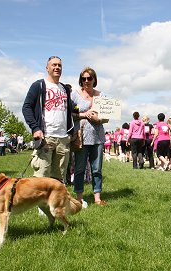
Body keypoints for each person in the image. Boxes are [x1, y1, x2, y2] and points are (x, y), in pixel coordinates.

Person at [22, 56, 74, 183]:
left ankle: (55, 203)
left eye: (59, 65)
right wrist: (35, 128)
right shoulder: (39, 85)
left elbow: (70, 112)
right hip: (46, 137)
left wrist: (71, 132)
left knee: (58, 180)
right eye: (54, 65)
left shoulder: (65, 89)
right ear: (47, 68)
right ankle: (42, 203)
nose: (57, 67)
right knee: (41, 179)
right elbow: (26, 107)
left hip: (63, 139)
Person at [71, 66, 108, 207]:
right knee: (79, 168)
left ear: (94, 79)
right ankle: (79, 197)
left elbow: (107, 117)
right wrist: (83, 115)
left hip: (97, 136)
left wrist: (99, 119)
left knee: (97, 169)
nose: (86, 81)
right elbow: (70, 114)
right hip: (81, 136)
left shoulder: (101, 96)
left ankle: (97, 197)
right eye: (83, 78)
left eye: (89, 78)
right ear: (81, 80)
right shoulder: (74, 95)